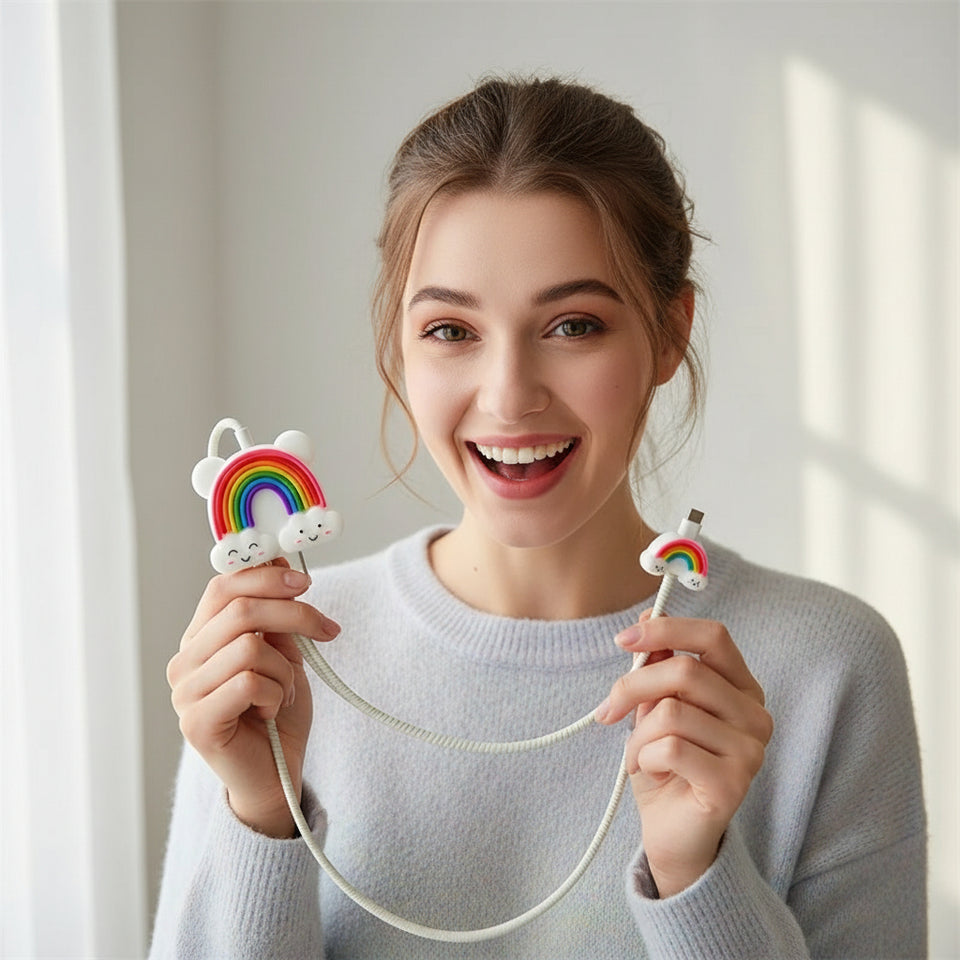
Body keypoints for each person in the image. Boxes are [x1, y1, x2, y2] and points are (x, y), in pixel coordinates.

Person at [151, 76, 926, 959]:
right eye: (451, 330)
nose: (509, 396)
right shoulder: (281, 656)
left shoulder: (828, 666)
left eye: (574, 325)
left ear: (670, 335)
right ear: (397, 346)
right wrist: (260, 816)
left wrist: (697, 877)